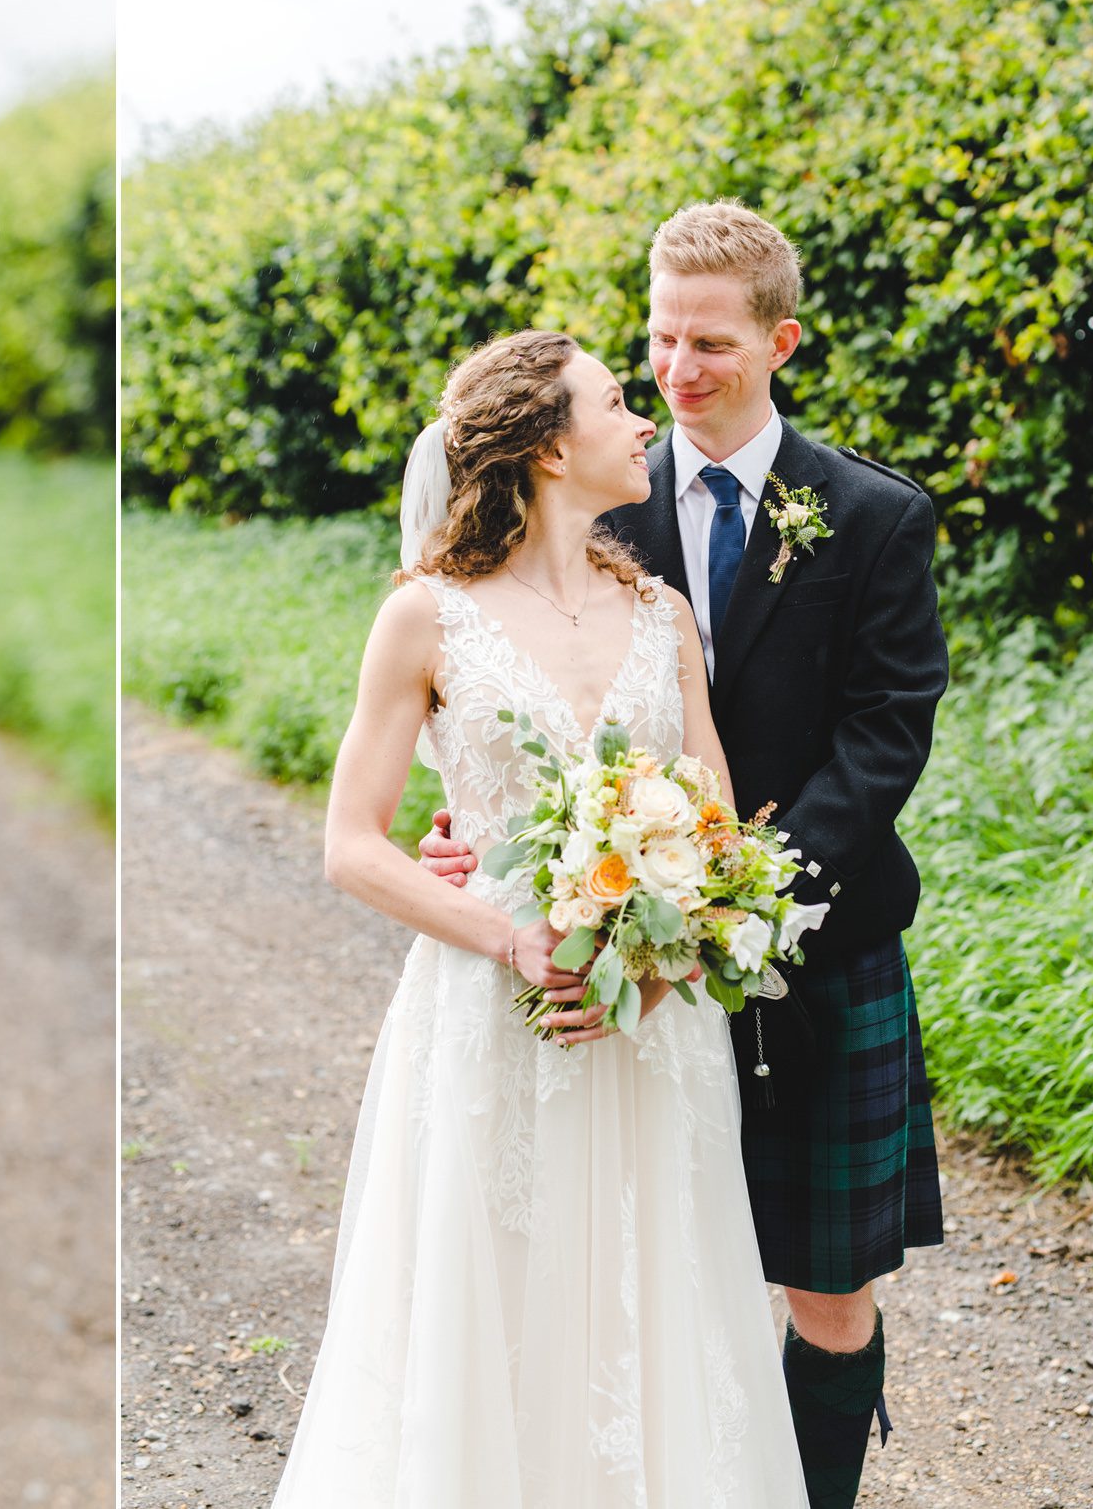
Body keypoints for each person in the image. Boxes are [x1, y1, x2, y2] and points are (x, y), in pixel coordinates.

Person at [419, 203, 947, 1509]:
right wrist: (477, 832)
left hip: (820, 945)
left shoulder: (874, 516)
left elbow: (884, 744)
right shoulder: (595, 498)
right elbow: (509, 678)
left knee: (827, 1283)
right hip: (620, 953)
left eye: (710, 341)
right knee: (651, 1264)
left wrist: (727, 901)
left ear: (782, 340)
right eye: (658, 336)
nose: (677, 367)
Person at [274, 329, 807, 1505]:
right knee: (497, 1298)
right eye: (615, 402)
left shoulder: (661, 615)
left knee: (657, 1288)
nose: (640, 423)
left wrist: (677, 950)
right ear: (548, 446)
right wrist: (508, 936)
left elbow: (714, 810)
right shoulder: (425, 616)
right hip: (494, 1003)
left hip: (652, 1018)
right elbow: (350, 842)